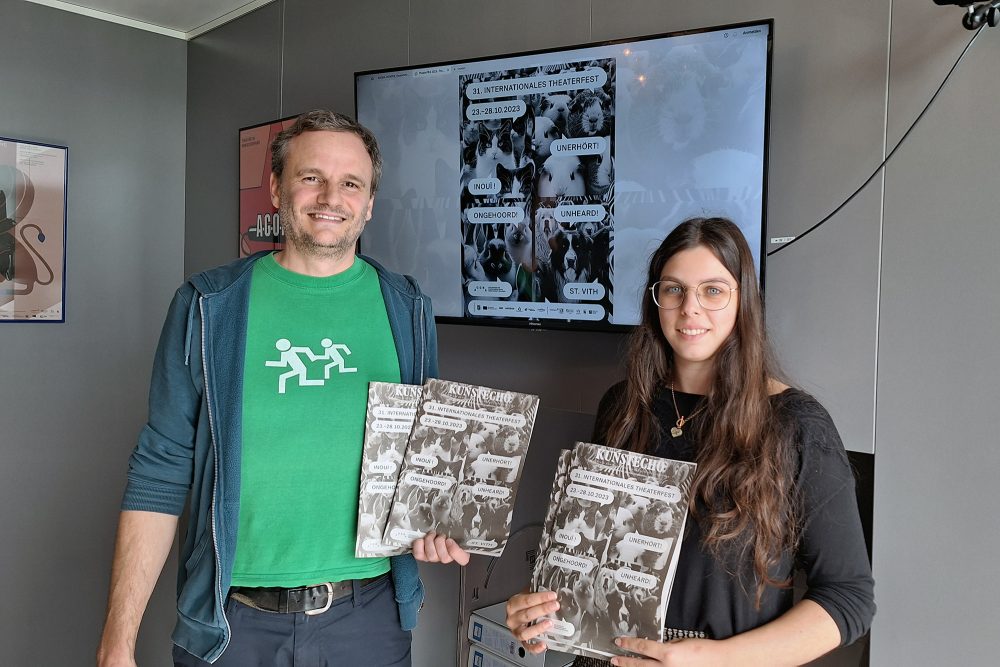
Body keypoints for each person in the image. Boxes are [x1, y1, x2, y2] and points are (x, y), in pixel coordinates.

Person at [96, 109, 467, 667]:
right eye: (310, 177)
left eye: (351, 183)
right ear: (276, 187)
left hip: (368, 620)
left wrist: (437, 519)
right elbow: (160, 470)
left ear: (369, 203)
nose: (330, 197)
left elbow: (425, 457)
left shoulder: (407, 307)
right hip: (232, 623)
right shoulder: (208, 306)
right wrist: (117, 642)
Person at [505, 217, 875, 666]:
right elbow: (591, 557)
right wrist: (540, 605)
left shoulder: (796, 425)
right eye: (674, 289)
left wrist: (717, 660)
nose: (690, 309)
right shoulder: (622, 406)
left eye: (713, 291)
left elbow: (848, 599)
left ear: (745, 302)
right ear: (655, 300)